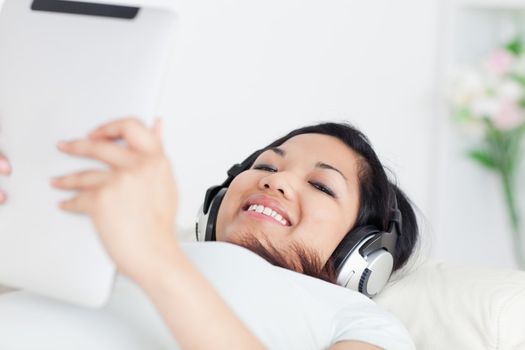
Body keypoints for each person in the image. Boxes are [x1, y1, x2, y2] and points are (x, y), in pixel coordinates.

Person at [0, 118, 418, 349]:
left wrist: (157, 259)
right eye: (267, 166)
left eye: (321, 186)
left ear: (364, 253)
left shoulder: (363, 321)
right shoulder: (123, 246)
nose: (277, 182)